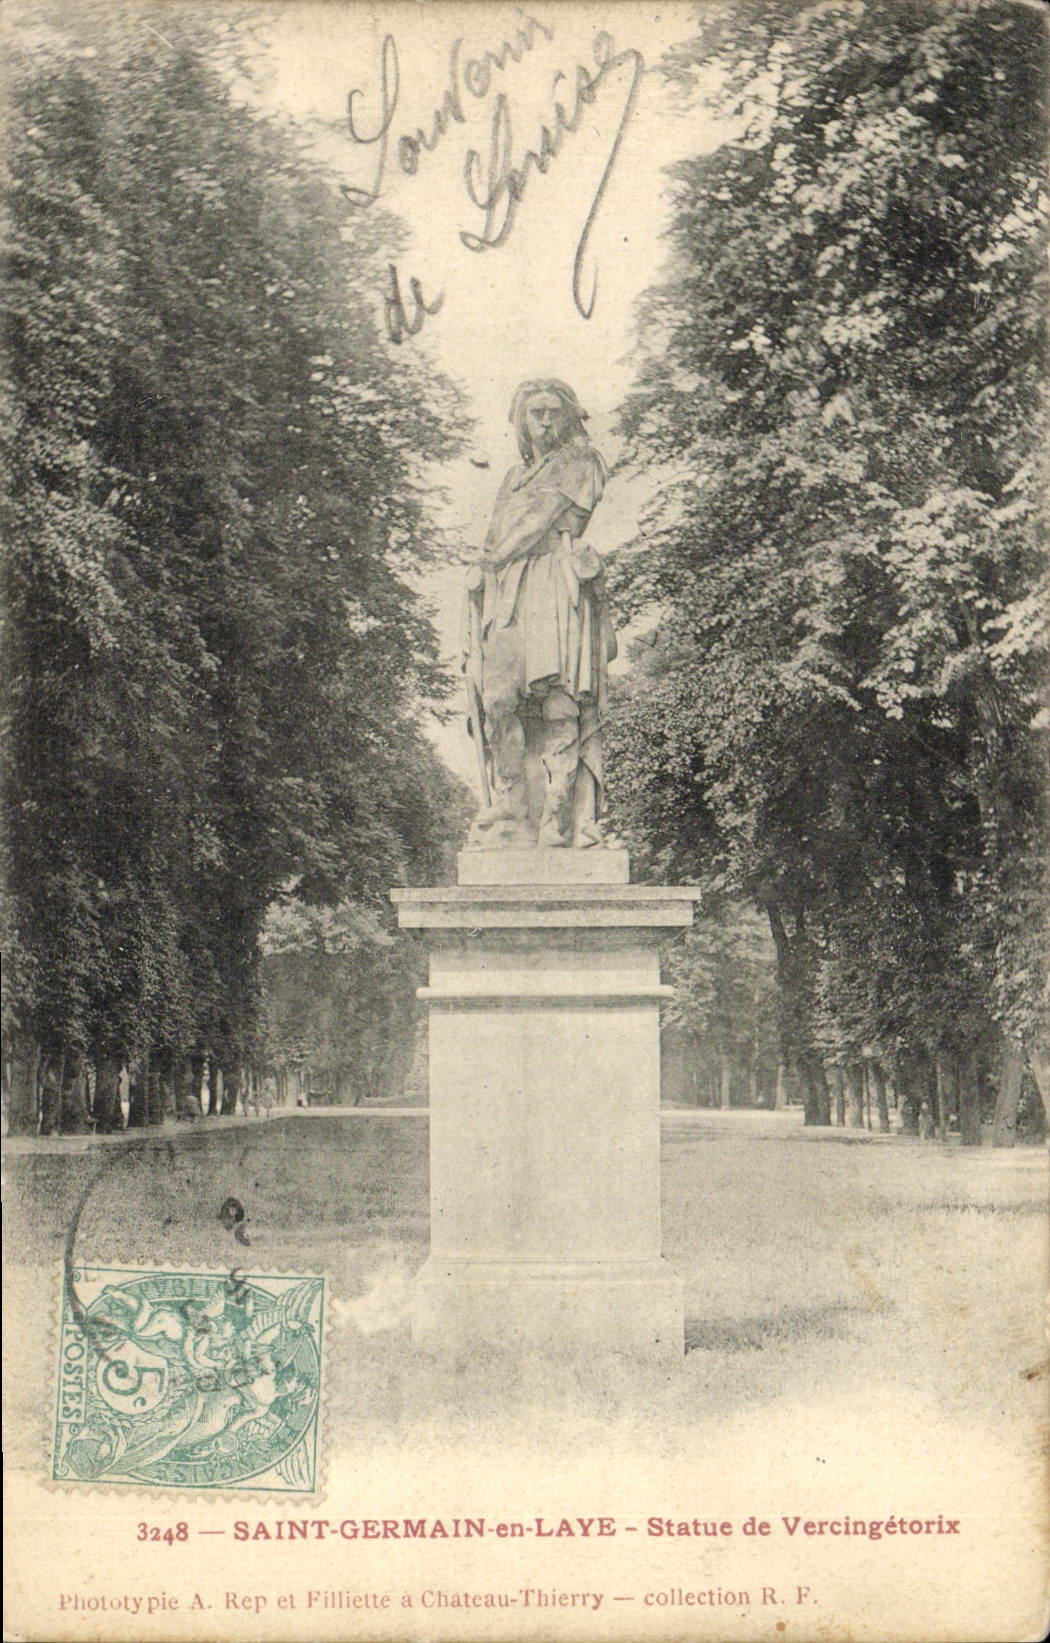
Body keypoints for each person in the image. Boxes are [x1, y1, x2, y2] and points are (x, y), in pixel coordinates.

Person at [463, 379, 616, 849]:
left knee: (559, 702)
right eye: (536, 412)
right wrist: (483, 572)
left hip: (552, 581)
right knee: (497, 697)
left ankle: (557, 814)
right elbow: (495, 534)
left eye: (554, 411)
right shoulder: (513, 476)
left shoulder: (580, 461)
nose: (546, 421)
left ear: (567, 416)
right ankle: (512, 799)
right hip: (509, 589)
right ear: (521, 420)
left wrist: (492, 558)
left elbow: (539, 521)